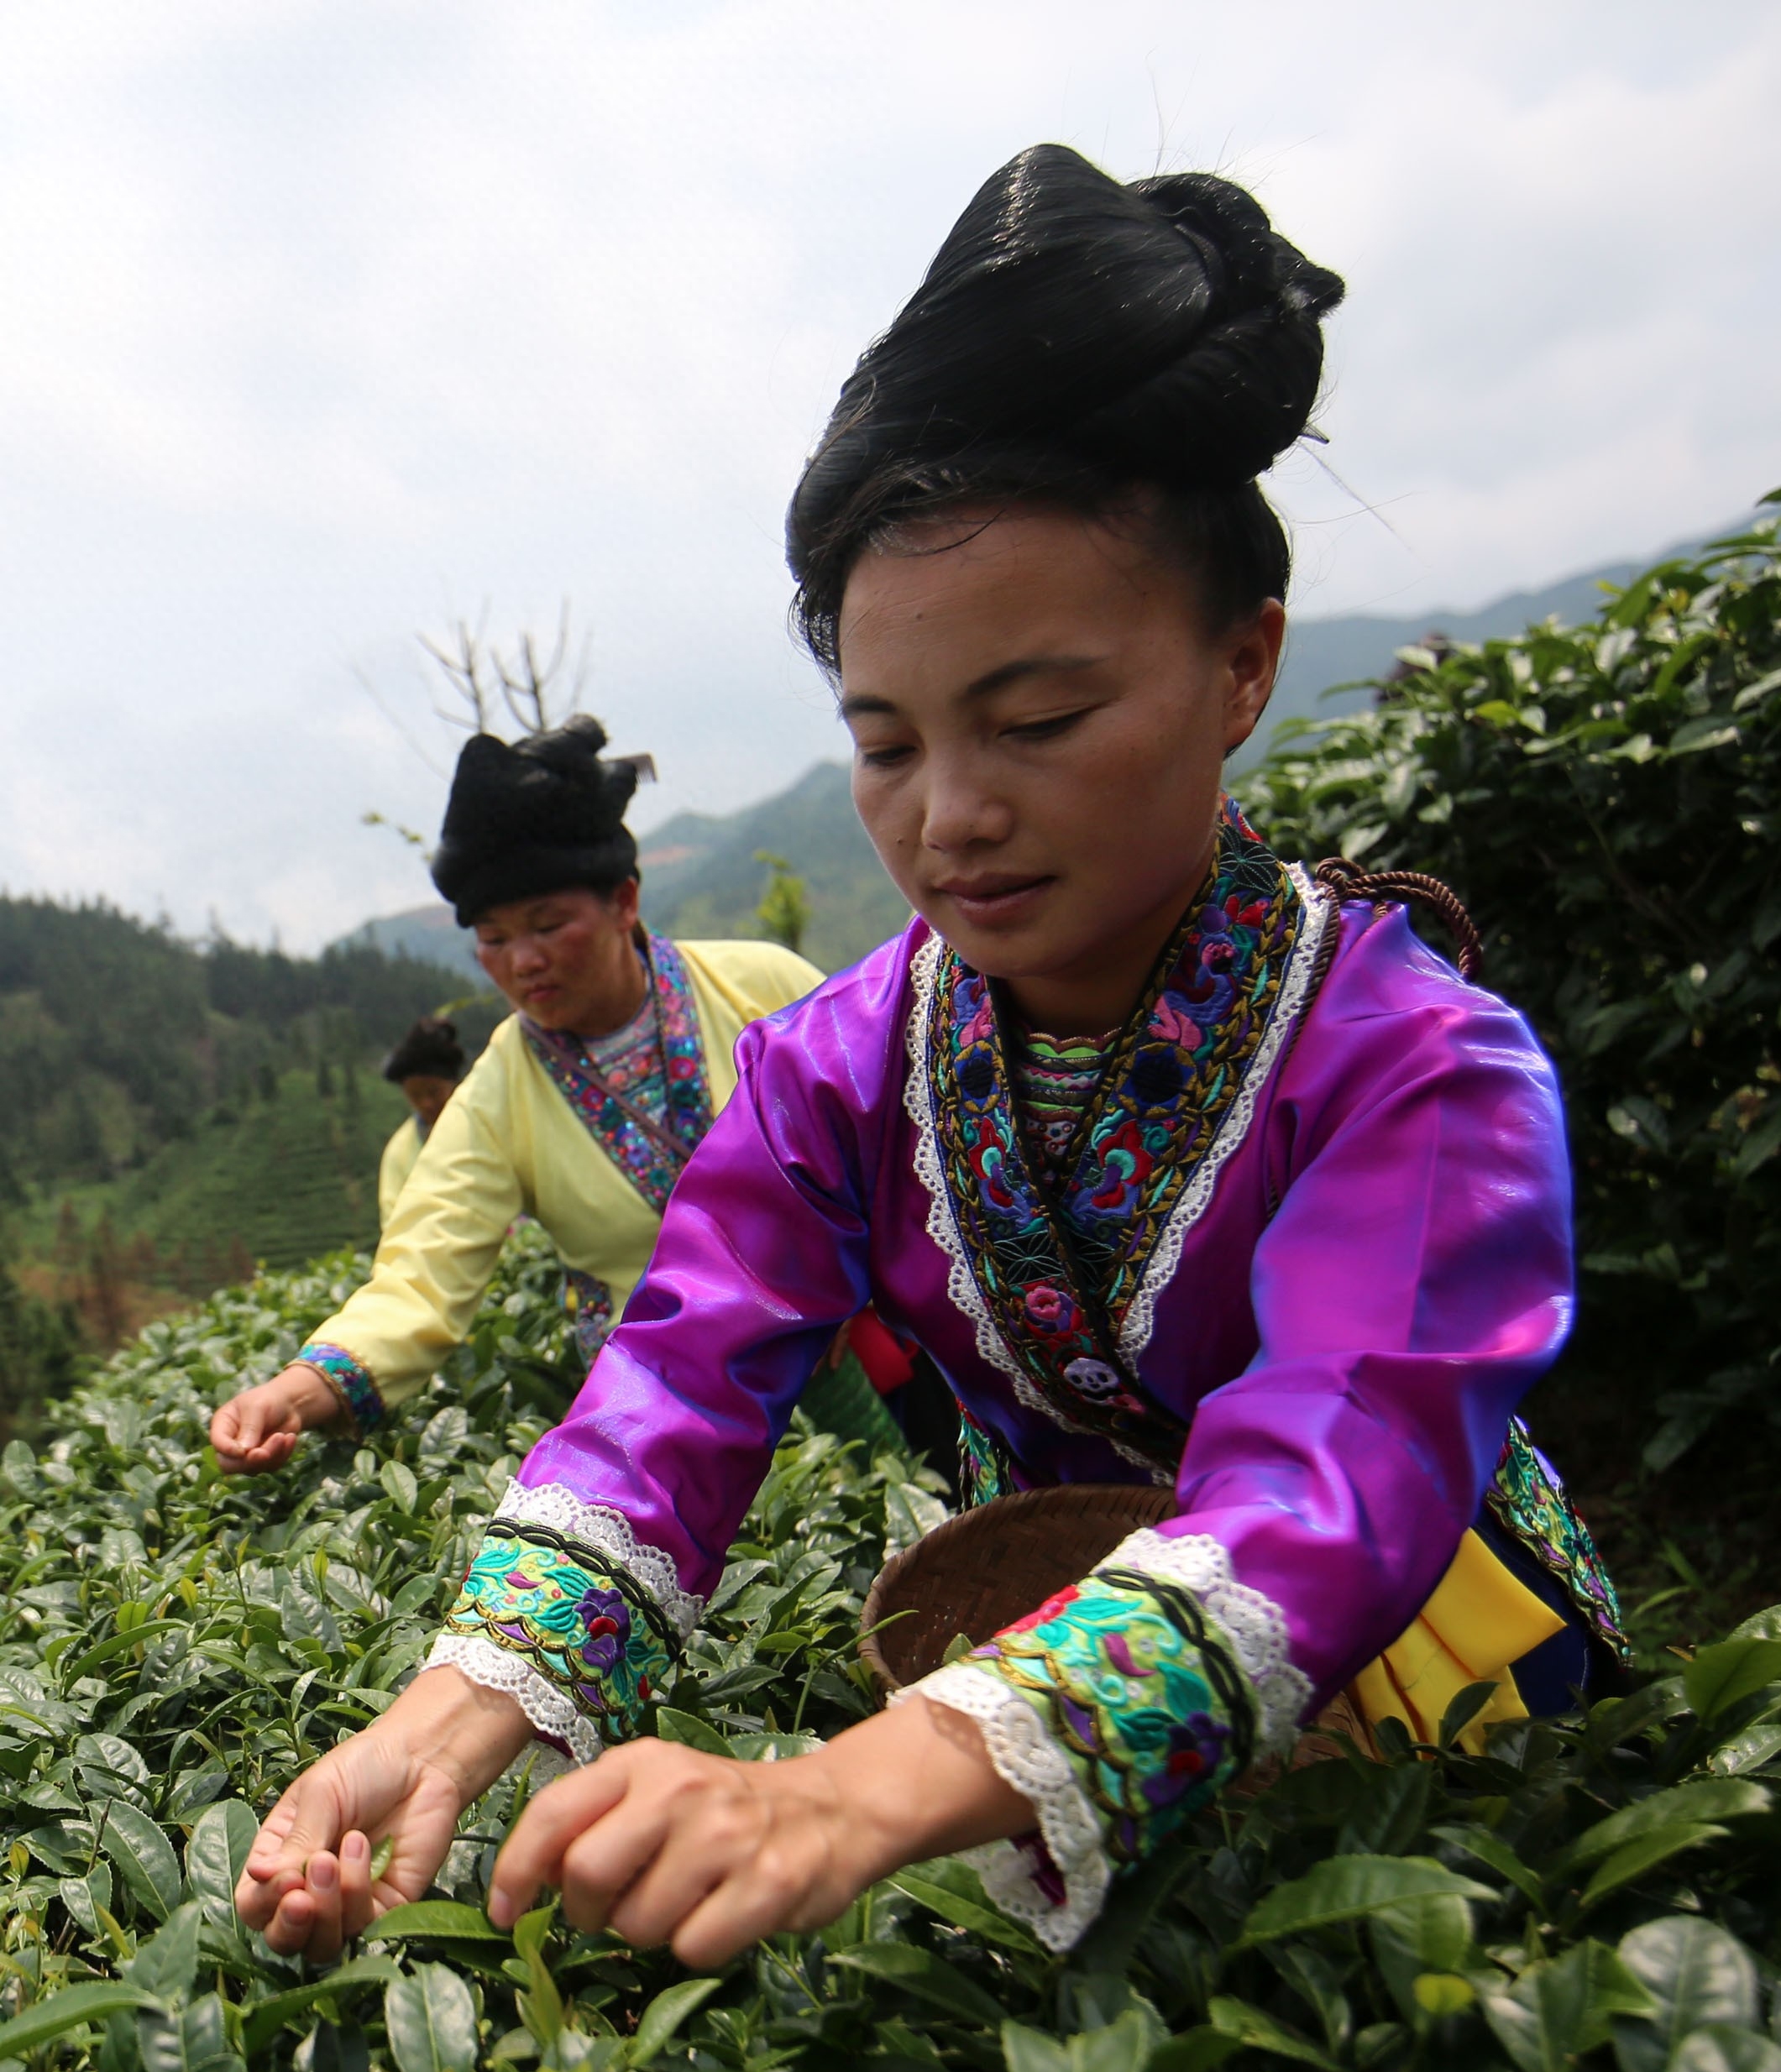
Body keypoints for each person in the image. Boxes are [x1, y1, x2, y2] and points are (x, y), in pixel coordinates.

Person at [239, 147, 1622, 1971]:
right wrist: (446, 1716)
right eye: (882, 744)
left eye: (1036, 719)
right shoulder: (836, 1068)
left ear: (1241, 666)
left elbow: (1339, 1471)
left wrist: (848, 1792)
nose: (949, 818)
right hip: (1006, 1726)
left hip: (1436, 1691)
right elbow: (676, 1386)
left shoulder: (1415, 1067)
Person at [209, 718, 825, 1472]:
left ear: (624, 901)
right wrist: (296, 1392)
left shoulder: (764, 988)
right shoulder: (497, 1096)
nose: (523, 961)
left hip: (853, 1349)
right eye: (494, 938)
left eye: (548, 924)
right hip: (674, 1406)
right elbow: (422, 1272)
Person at [377, 1017, 465, 1227]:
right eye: (415, 1096)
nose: (426, 1103)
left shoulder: (489, 1123)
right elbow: (393, 1220)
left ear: (453, 1083)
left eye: (434, 1091)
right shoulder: (400, 1151)